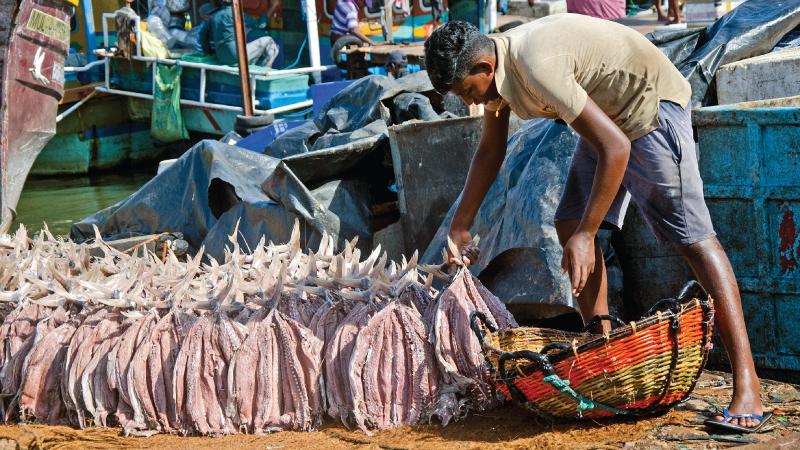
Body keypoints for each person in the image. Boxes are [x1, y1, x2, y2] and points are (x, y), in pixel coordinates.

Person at [424, 16, 770, 433]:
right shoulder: (495, 71)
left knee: (694, 241)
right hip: (607, 118)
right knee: (568, 220)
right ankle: (602, 345)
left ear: (485, 68)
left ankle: (748, 385)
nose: (469, 102)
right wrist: (460, 226)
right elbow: (490, 150)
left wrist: (589, 236)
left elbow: (616, 146)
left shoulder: (535, 66)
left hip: (649, 109)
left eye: (467, 91)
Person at [207, 0, 279, 67]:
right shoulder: (236, 13)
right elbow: (260, 25)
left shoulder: (214, 16)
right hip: (235, 56)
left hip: (222, 57)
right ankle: (262, 72)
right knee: (269, 41)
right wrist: (273, 6)